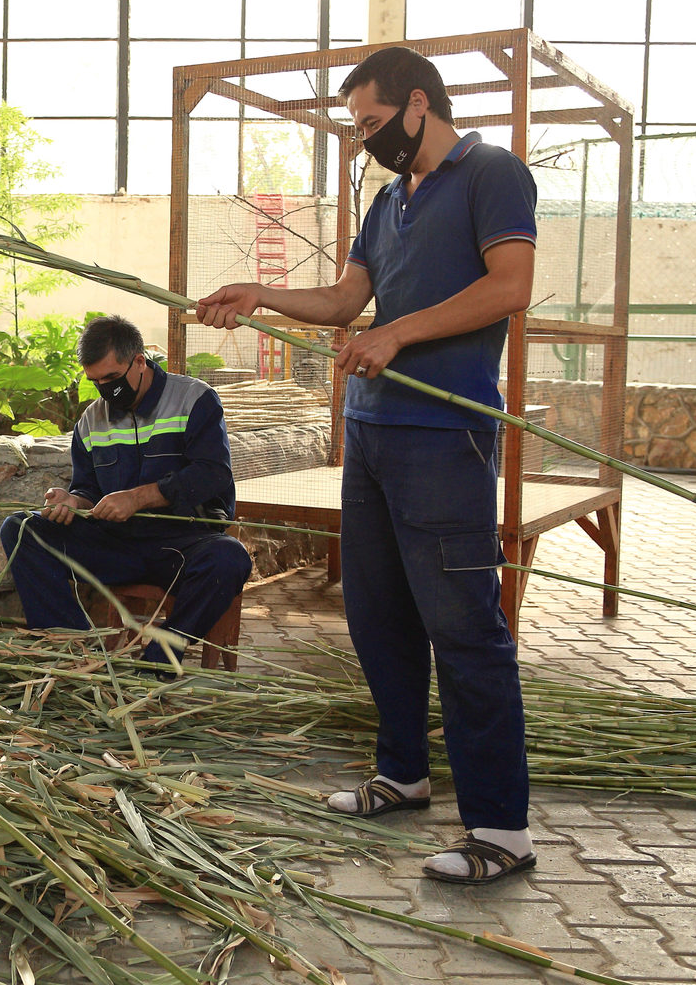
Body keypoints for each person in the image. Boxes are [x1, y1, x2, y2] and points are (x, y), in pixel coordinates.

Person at [197, 45, 537, 885]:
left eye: (373, 124)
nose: (364, 141)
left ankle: (502, 828)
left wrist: (399, 332)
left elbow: (511, 286)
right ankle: (404, 774)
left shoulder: (492, 173)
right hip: (374, 432)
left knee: (463, 625)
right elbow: (347, 302)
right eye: (357, 128)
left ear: (420, 104)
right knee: (376, 614)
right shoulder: (389, 201)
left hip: (444, 436)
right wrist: (262, 294)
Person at [0, 314, 252, 672]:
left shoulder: (194, 399)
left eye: (113, 378)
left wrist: (137, 497)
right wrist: (73, 502)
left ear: (139, 360)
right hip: (116, 546)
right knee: (20, 528)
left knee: (230, 558)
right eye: (95, 381)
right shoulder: (91, 420)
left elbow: (212, 475)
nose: (105, 389)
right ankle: (74, 648)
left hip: (183, 546)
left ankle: (160, 659)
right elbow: (87, 487)